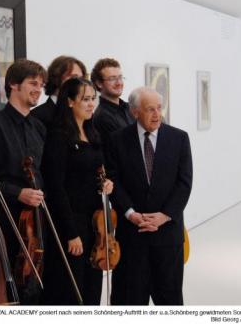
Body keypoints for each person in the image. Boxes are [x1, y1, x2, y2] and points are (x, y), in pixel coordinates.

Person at [107, 87, 192, 305]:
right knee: (129, 302)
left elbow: (184, 184)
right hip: (132, 236)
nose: (157, 114)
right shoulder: (117, 140)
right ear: (135, 112)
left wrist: (164, 216)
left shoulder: (179, 138)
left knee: (170, 301)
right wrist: (130, 213)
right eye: (149, 109)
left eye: (159, 108)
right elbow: (114, 182)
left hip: (167, 236)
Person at [0, 59, 47, 304]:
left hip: (36, 225)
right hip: (5, 224)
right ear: (13, 85)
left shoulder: (38, 128)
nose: (39, 89)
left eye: (42, 84)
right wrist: (17, 192)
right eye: (33, 83)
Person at [41, 77, 113, 305]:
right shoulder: (59, 136)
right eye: (85, 99)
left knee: (93, 285)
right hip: (71, 222)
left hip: (95, 222)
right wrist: (71, 232)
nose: (91, 104)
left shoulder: (93, 133)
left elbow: (96, 172)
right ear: (70, 102)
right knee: (72, 290)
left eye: (93, 99)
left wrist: (106, 184)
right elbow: (56, 187)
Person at [91, 58, 134, 152]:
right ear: (99, 83)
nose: (119, 83)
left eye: (120, 77)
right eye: (112, 79)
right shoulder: (102, 117)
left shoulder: (130, 108)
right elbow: (126, 149)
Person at [31, 55, 86, 129]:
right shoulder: (37, 116)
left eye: (81, 78)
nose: (80, 83)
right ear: (56, 78)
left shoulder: (83, 113)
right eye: (74, 77)